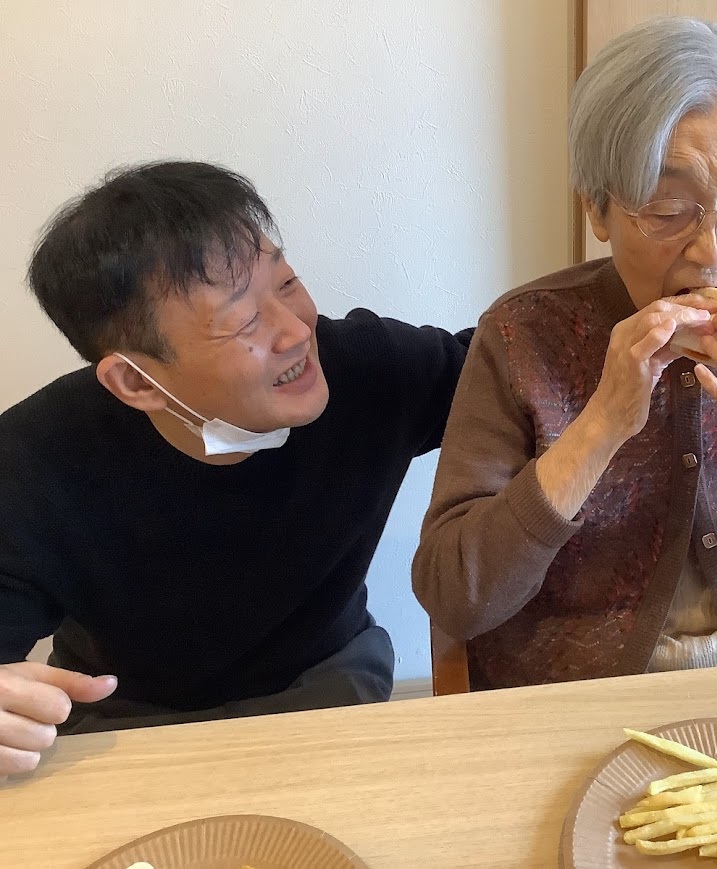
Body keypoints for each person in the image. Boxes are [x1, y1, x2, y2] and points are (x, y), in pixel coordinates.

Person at [413, 17, 717, 689]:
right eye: (668, 208)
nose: (714, 252)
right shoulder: (521, 334)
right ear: (597, 210)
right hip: (582, 694)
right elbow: (455, 595)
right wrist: (598, 426)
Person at [0, 161, 472, 779]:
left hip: (326, 678)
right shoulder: (35, 464)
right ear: (135, 382)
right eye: (243, 321)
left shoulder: (367, 369)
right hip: (127, 715)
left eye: (286, 282)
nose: (296, 330)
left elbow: (515, 366)